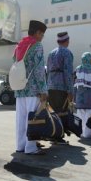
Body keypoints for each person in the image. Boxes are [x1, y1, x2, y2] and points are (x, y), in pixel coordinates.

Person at [14, 20, 48, 155]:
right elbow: (39, 70)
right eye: (42, 34)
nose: (42, 37)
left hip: (20, 88)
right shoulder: (37, 45)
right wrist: (43, 90)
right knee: (32, 118)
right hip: (33, 89)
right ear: (37, 33)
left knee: (21, 119)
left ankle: (20, 146)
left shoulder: (20, 45)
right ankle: (30, 147)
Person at [46, 32, 74, 143]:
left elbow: (47, 71)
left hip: (51, 85)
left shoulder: (51, 53)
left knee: (52, 111)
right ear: (67, 41)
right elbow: (68, 72)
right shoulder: (67, 53)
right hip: (61, 86)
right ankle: (58, 136)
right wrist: (70, 90)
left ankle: (52, 133)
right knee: (61, 111)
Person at [74, 52, 91, 138]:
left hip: (80, 96)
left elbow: (74, 83)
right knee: (89, 115)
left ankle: (81, 132)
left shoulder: (78, 68)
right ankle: (87, 133)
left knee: (81, 115)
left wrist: (74, 96)